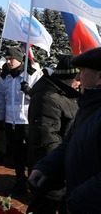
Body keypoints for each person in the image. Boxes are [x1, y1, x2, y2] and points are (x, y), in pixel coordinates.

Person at [28, 48, 101, 213]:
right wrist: (47, 167)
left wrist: (79, 200)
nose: (78, 77)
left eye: (82, 71)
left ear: (100, 77)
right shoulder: (88, 106)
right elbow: (69, 143)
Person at [26, 55, 80, 214]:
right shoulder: (48, 97)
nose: (80, 83)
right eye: (78, 77)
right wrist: (60, 168)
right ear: (70, 77)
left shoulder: (65, 95)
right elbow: (48, 140)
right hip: (50, 174)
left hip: (60, 172)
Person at [0, 46, 43, 195]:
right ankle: (19, 183)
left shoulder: (32, 74)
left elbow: (41, 98)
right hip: (12, 122)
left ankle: (32, 183)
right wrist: (1, 119)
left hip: (27, 122)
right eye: (7, 59)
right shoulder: (6, 77)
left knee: (30, 156)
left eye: (12, 59)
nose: (9, 61)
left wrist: (29, 92)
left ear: (19, 59)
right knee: (16, 155)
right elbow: (2, 100)